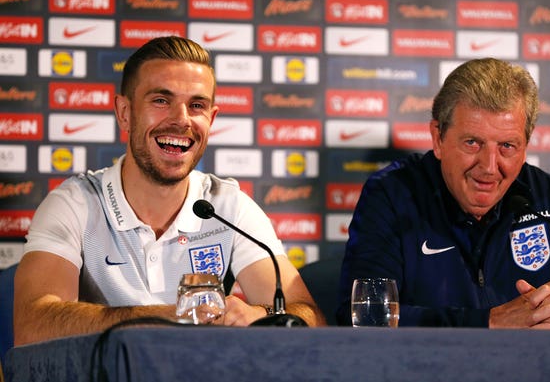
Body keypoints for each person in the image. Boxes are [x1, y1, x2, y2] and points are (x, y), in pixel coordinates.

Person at [14, 36, 325, 346]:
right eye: (161, 101)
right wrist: (176, 316)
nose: (181, 120)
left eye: (197, 105)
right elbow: (34, 325)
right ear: (124, 112)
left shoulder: (229, 207)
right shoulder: (74, 204)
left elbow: (309, 317)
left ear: (211, 119)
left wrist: (261, 316)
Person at [336, 57, 550, 329]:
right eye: (472, 143)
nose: (489, 167)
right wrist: (491, 322)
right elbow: (364, 315)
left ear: (525, 147)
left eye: (507, 146)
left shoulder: (547, 196)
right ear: (438, 138)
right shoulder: (391, 194)